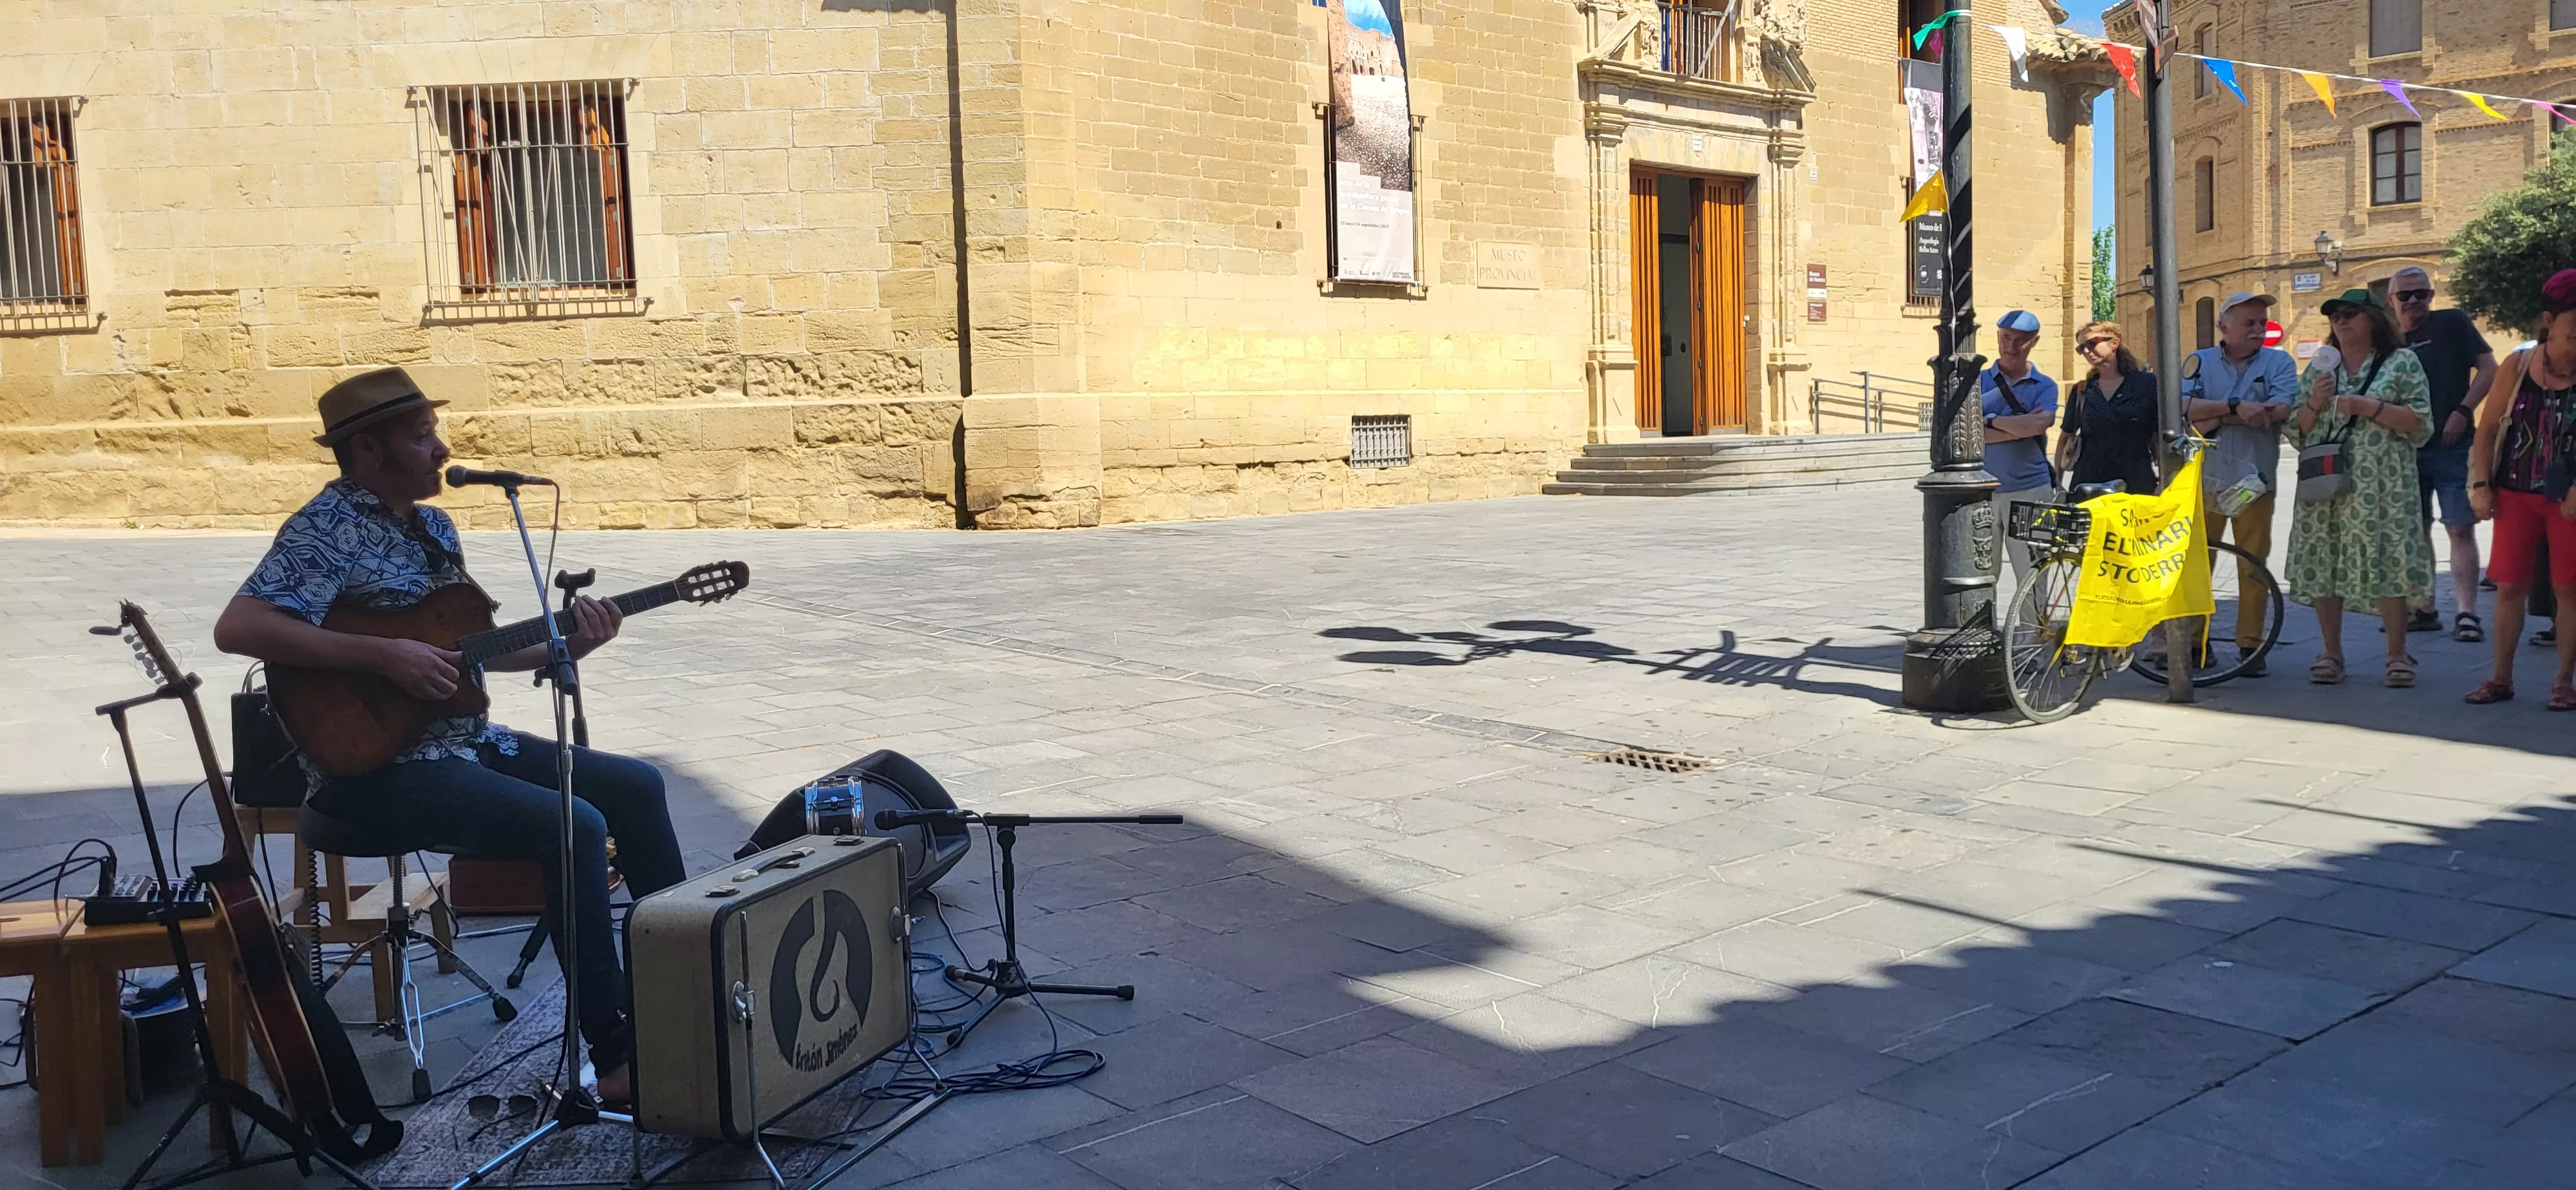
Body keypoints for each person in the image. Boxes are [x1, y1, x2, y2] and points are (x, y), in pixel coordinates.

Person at [211, 367, 682, 1106]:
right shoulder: (325, 527)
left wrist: (574, 643)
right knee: (574, 824)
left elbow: (474, 645)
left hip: (461, 741)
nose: (441, 449)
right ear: (368, 451)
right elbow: (239, 628)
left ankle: (688, 988)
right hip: (374, 768)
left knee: (636, 784)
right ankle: (616, 1056)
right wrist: (382, 654)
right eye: (421, 435)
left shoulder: (433, 527)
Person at [2284, 290, 2433, 686]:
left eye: (2351, 314)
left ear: (2372, 318)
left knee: (2388, 560)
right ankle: (2331, 652)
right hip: (2326, 480)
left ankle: (2397, 655)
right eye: (2335, 316)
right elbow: (2296, 431)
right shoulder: (2320, 367)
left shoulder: (2401, 362)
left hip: (2384, 486)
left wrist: (2367, 407)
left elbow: (2420, 423)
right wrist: (2315, 402)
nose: (2342, 321)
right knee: (2324, 561)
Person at [2465, 270, 2576, 708]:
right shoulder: (2518, 364)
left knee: (2570, 589)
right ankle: (2500, 678)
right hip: (2515, 492)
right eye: (2573, 332)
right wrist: (2480, 486)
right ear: (2549, 322)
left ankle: (2564, 681)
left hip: (2569, 501)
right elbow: (2488, 429)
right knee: (2510, 586)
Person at [2183, 292, 2301, 676]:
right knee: (2198, 562)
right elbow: (2182, 410)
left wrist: (2213, 415)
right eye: (2249, 323)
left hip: (2255, 479)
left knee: (2253, 563)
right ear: (2224, 327)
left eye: (2262, 323)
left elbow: (2280, 410)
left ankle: (2251, 645)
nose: (2258, 329)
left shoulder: (2279, 361)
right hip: (2205, 477)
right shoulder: (2199, 362)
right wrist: (2238, 409)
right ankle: (2195, 645)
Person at [2391, 267, 2501, 641]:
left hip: (2453, 443)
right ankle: (2424, 608)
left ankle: (2467, 614)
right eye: (2405, 295)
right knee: (2415, 529)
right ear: (2391, 300)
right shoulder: (2387, 340)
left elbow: (2489, 367)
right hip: (2404, 448)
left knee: (2459, 526)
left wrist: (2464, 410)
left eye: (2422, 294)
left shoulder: (2451, 322)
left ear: (2432, 295)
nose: (2414, 302)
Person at [1982, 309, 2060, 589]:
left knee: (2032, 574)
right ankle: (1981, 631)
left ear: (2034, 342)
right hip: (1983, 491)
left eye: (2021, 341)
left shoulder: (2046, 385)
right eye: (2006, 337)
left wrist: (1990, 421)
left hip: (2030, 490)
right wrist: (2019, 425)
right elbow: (1966, 433)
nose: (2011, 347)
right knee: (1980, 573)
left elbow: (2039, 426)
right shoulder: (1975, 381)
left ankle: (2032, 633)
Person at [2058, 320, 2160, 497]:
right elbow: (2066, 436)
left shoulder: (2147, 384)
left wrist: (2166, 481)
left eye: (2092, 343)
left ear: (2114, 343)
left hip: (2135, 482)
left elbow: (2160, 436)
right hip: (2088, 484)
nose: (2087, 352)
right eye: (2081, 348)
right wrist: (2058, 484)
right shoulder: (2083, 390)